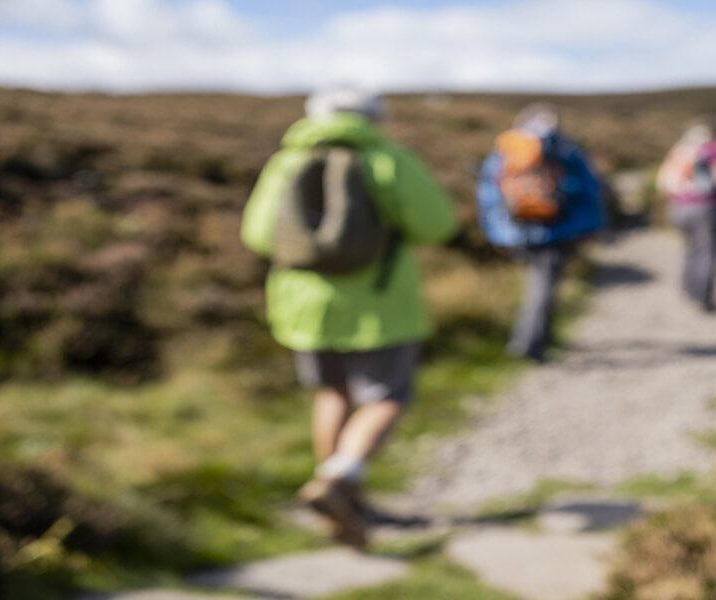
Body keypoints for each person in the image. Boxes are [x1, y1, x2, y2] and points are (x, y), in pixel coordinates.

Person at [240, 86, 458, 546]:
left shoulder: (286, 162)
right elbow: (437, 225)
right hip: (382, 306)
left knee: (332, 392)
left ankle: (339, 503)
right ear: (375, 116)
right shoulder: (390, 160)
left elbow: (258, 236)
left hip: (305, 306)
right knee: (387, 396)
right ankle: (341, 480)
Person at [476, 103, 605, 362]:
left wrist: (499, 232)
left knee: (539, 284)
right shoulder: (564, 150)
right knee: (544, 286)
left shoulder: (505, 151)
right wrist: (592, 226)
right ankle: (528, 345)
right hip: (557, 230)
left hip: (519, 230)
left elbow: (489, 195)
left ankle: (542, 337)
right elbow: (588, 190)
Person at [657, 118, 716, 312]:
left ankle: (688, 290)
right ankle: (704, 299)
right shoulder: (713, 150)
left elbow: (661, 182)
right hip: (706, 209)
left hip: (679, 208)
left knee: (690, 249)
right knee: (707, 252)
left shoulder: (679, 151)